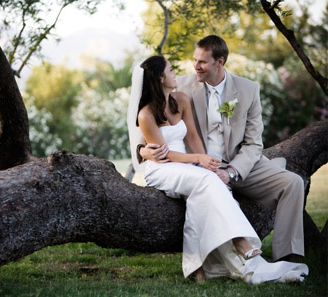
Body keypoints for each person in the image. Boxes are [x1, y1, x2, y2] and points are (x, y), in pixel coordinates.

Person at [127, 54, 308, 283]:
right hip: (164, 167)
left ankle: (198, 268)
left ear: (218, 61)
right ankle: (242, 242)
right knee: (208, 182)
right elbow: (163, 154)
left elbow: (192, 136)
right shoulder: (146, 114)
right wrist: (198, 159)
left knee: (202, 192)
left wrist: (204, 162)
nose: (178, 72)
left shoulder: (180, 98)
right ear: (160, 78)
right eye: (170, 70)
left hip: (189, 164)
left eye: (201, 61)